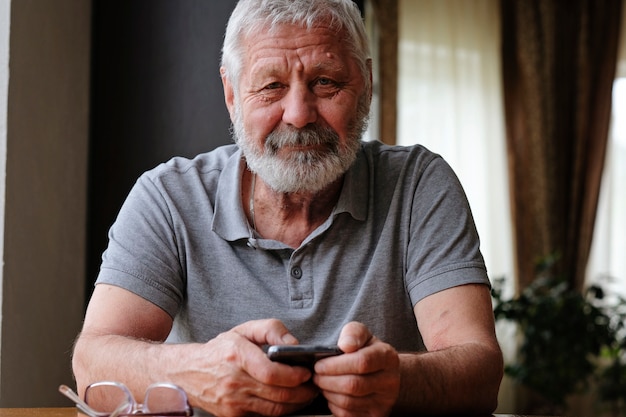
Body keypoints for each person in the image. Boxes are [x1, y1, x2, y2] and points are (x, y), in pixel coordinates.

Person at [72, 0, 503, 416]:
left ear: (367, 83)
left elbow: (480, 372)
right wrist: (197, 373)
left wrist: (397, 381)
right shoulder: (167, 198)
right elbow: (91, 367)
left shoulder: (418, 184)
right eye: (272, 86)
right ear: (232, 94)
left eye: (325, 82)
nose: (298, 114)